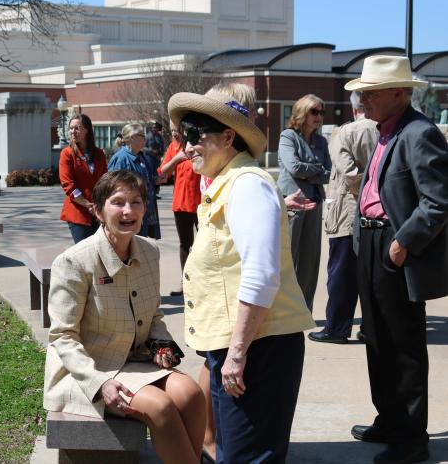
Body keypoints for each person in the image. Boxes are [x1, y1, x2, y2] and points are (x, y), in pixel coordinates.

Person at [168, 88, 315, 464]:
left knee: (248, 458)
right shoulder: (229, 182)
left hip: (257, 347)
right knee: (235, 454)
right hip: (242, 345)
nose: (187, 147)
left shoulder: (247, 184)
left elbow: (261, 275)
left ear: (228, 137)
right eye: (183, 136)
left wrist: (236, 354)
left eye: (195, 135)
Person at [44, 170, 206, 464]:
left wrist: (161, 344)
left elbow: (154, 315)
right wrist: (99, 382)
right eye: (117, 202)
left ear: (145, 207)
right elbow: (62, 337)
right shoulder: (74, 262)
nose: (128, 210)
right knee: (160, 408)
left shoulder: (149, 251)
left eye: (136, 202)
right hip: (89, 370)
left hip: (135, 363)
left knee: (192, 395)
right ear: (98, 211)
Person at [345, 55, 448, 463]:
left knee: (403, 346)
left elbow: (438, 201)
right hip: (372, 244)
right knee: (377, 338)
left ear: (399, 94)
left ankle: (411, 441)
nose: (363, 99)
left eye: (370, 93)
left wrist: (403, 242)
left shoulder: (419, 133)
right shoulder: (386, 131)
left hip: (394, 246)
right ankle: (389, 420)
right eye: (362, 93)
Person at [309, 91, 378, 344]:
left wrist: (367, 190)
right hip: (378, 214)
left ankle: (336, 328)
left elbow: (347, 173)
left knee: (341, 276)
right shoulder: (388, 129)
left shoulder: (346, 133)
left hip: (348, 213)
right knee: (371, 277)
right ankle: (371, 328)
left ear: (353, 108)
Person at [277, 94, 331, 312]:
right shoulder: (288, 136)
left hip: (315, 204)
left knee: (310, 262)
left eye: (321, 112)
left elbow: (330, 173)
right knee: (288, 258)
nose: (319, 116)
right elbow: (294, 167)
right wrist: (316, 169)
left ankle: (303, 311)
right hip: (293, 205)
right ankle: (282, 310)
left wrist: (310, 169)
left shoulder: (321, 141)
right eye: (314, 111)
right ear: (302, 113)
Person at [157, 122, 201, 296]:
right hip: (181, 202)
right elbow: (162, 173)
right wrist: (177, 158)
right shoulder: (173, 147)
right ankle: (185, 281)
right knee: (185, 244)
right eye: (172, 130)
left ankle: (203, 281)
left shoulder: (198, 143)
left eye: (177, 130)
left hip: (201, 202)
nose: (174, 134)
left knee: (204, 243)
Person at [59, 113, 107, 243]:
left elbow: (105, 181)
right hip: (78, 213)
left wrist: (99, 205)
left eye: (77, 128)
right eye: (71, 128)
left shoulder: (99, 154)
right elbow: (68, 185)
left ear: (86, 130)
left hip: (98, 212)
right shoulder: (67, 154)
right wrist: (87, 205)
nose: (72, 132)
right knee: (84, 254)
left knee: (100, 251)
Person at [108, 124, 161, 239]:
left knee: (141, 249)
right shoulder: (121, 158)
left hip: (145, 213)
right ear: (131, 138)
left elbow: (148, 181)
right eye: (142, 135)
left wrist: (156, 180)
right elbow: (112, 188)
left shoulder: (143, 157)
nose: (145, 139)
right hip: (129, 215)